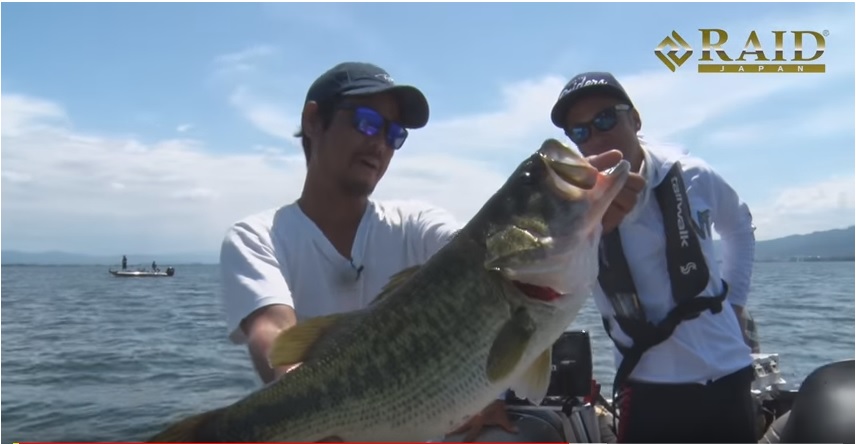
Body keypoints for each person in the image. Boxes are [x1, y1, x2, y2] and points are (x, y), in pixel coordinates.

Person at [218, 61, 514, 441]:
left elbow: (489, 261)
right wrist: (308, 397)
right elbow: (273, 329)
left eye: (394, 134)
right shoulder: (255, 237)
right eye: (367, 122)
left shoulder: (416, 224)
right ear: (313, 121)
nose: (380, 143)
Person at [549, 72, 757, 443]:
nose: (595, 137)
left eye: (605, 119)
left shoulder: (693, 175)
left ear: (635, 119)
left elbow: (739, 226)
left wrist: (737, 303)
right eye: (580, 132)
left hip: (728, 371)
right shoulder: (570, 208)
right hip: (648, 386)